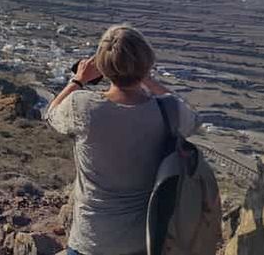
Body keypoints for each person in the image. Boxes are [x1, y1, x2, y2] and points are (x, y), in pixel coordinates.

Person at [45, 25, 199, 255]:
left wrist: (78, 80)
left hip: (92, 239)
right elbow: (192, 117)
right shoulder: (168, 110)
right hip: (145, 239)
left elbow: (51, 114)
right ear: (147, 62)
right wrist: (146, 80)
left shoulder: (83, 107)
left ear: (103, 67)